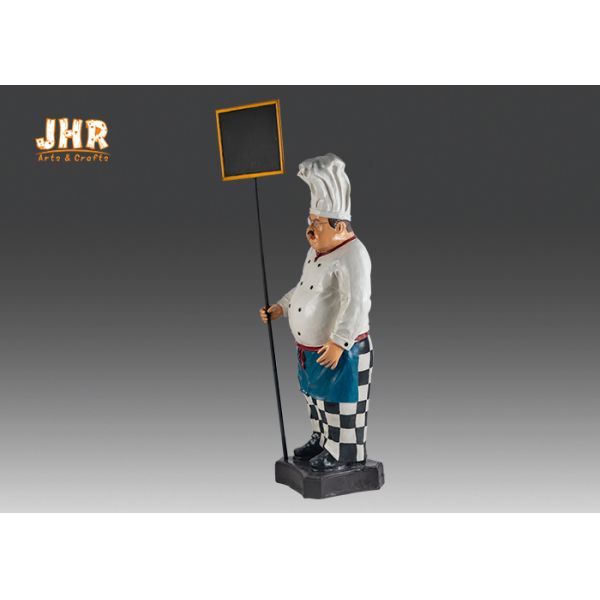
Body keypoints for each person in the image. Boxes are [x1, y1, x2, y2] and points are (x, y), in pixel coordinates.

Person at [259, 153, 373, 472]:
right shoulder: (316, 251)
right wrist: (282, 307)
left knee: (341, 405)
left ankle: (344, 452)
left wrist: (339, 342)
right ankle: (322, 440)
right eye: (309, 222)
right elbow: (304, 288)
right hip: (312, 352)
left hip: (342, 353)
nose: (310, 230)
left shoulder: (353, 255)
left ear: (339, 226)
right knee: (316, 401)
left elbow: (357, 303)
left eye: (317, 224)